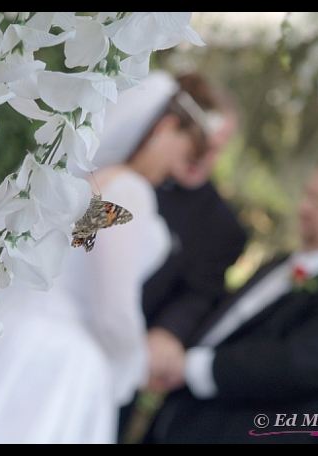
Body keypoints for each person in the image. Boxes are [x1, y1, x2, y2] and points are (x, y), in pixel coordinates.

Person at [0, 71, 212, 444]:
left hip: (14, 336)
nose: (180, 166)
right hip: (59, 361)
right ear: (165, 127)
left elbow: (79, 248)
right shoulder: (127, 190)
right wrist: (134, 362)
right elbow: (113, 304)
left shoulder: (84, 182)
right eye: (184, 148)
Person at [145, 154, 318, 443]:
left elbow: (296, 365)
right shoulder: (282, 263)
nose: (303, 208)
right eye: (307, 195)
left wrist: (192, 368)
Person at [118, 73, 247, 441]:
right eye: (202, 142)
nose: (207, 156)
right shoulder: (115, 177)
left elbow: (200, 292)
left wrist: (168, 334)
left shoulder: (222, 226)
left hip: (132, 354)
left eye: (219, 147)